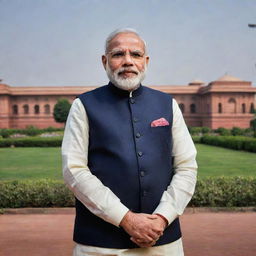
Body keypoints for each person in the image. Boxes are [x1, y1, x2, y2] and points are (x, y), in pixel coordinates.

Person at [62, 28, 197, 256]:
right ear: (105, 61)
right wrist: (125, 219)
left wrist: (162, 218)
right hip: (100, 245)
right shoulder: (84, 105)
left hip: (163, 241)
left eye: (135, 54)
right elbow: (74, 170)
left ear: (146, 61)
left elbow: (186, 166)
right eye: (118, 54)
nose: (127, 61)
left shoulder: (166, 104)